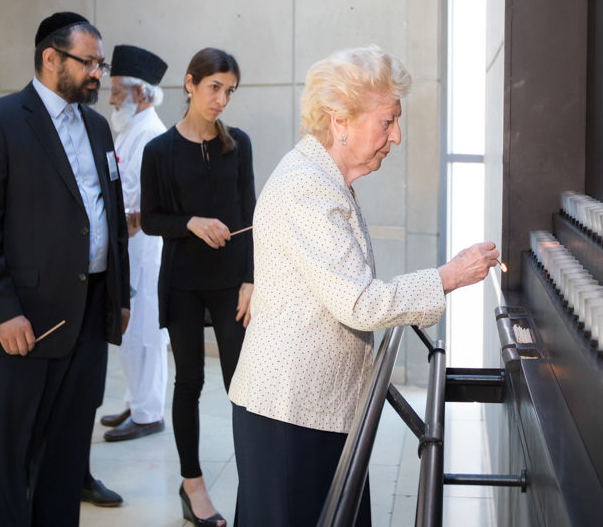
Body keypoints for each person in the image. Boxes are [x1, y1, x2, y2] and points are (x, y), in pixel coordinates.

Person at [228, 46, 498, 527]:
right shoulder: (308, 186)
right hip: (290, 412)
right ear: (340, 122)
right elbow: (360, 303)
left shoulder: (328, 179)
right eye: (387, 121)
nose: (397, 136)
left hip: (317, 406)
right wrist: (448, 276)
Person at [0, 12, 130, 526]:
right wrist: (0, 312)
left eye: (101, 63)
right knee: (10, 457)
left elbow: (110, 217)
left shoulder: (97, 126)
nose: (98, 73)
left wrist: (119, 296)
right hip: (23, 321)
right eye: (89, 62)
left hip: (89, 314)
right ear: (51, 58)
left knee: (67, 452)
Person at [141, 47, 255, 527]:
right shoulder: (159, 150)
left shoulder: (239, 143)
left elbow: (250, 212)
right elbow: (150, 220)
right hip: (183, 284)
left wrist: (252, 278)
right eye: (215, 88)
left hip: (232, 283)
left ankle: (257, 479)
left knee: (244, 385)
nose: (222, 99)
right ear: (190, 84)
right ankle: (193, 487)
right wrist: (190, 221)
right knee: (189, 381)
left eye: (229, 90)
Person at [98, 44, 170, 443]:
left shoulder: (150, 137)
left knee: (145, 332)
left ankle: (148, 413)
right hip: (125, 248)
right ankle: (135, 400)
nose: (110, 98)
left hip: (143, 250)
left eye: (116, 91)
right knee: (127, 330)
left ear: (140, 93)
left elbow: (142, 206)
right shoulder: (130, 130)